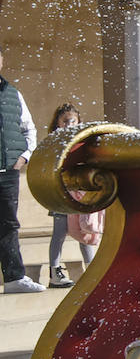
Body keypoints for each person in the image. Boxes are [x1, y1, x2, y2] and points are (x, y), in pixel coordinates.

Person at [0, 46, 42, 293]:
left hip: (7, 171)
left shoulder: (13, 93)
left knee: (8, 224)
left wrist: (24, 157)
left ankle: (15, 278)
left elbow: (30, 129)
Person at [45, 104, 97, 288]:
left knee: (85, 230)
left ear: (78, 121)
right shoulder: (54, 141)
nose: (69, 125)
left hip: (79, 191)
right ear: (58, 123)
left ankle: (91, 270)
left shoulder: (81, 140)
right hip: (61, 192)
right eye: (65, 121)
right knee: (59, 232)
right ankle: (54, 271)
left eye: (72, 121)